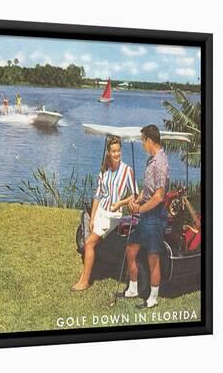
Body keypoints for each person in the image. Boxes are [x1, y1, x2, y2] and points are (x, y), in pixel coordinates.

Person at [71, 136, 137, 291]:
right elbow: (97, 196)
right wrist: (93, 217)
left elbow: (135, 194)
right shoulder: (104, 170)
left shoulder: (127, 170)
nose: (116, 154)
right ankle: (84, 277)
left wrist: (121, 203)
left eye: (118, 151)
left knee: (89, 243)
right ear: (108, 152)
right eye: (113, 151)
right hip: (101, 211)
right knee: (92, 243)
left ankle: (85, 281)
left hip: (113, 215)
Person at [123, 125, 170, 309]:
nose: (142, 144)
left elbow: (159, 196)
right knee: (131, 250)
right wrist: (137, 200)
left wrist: (140, 209)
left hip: (155, 216)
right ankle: (133, 289)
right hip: (146, 214)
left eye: (143, 140)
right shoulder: (151, 160)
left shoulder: (161, 163)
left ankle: (153, 298)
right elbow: (147, 191)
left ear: (149, 140)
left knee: (153, 258)